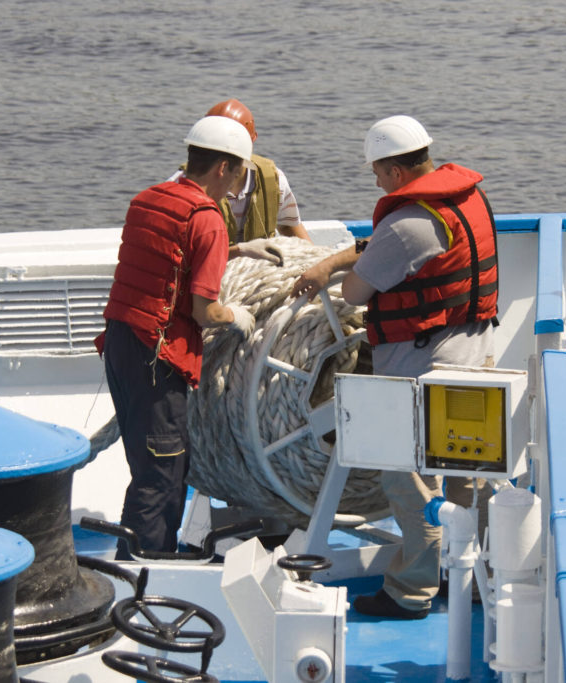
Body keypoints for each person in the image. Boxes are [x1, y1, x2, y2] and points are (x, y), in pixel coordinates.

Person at [292, 115, 498, 619]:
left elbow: (354, 291)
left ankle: (411, 590)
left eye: (378, 173)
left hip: (420, 367)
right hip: (475, 355)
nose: (377, 182)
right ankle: (477, 579)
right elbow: (387, 248)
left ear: (397, 171)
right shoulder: (467, 201)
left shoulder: (408, 223)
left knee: (408, 481)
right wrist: (344, 256)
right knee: (467, 474)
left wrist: (331, 273)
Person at [96, 116, 258, 560]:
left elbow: (170, 257)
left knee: (144, 464)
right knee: (162, 473)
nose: (239, 183)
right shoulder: (208, 220)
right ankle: (147, 571)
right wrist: (235, 316)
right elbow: (204, 312)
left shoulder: (149, 199)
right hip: (157, 357)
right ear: (223, 167)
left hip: (120, 343)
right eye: (241, 171)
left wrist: (237, 250)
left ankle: (139, 557)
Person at [168, 99, 311, 262]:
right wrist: (241, 251)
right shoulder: (179, 188)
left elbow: (288, 225)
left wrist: (318, 264)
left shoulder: (273, 180)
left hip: (256, 275)